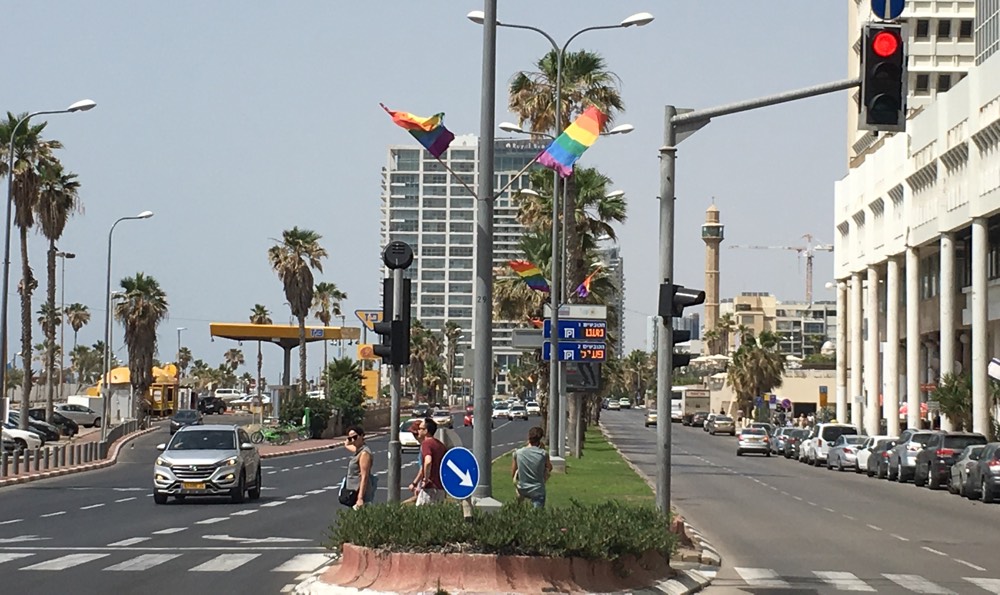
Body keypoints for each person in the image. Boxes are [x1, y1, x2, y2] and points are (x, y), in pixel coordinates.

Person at [511, 426, 552, 508]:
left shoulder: (518, 453)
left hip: (522, 487)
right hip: (538, 489)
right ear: (540, 439)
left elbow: (513, 471)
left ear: (528, 437)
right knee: (537, 515)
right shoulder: (543, 454)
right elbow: (549, 468)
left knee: (518, 512)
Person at [410, 417, 446, 505]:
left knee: (421, 515)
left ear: (426, 431)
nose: (418, 431)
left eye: (420, 428)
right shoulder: (440, 445)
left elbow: (428, 461)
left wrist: (426, 479)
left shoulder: (426, 444)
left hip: (430, 488)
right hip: (441, 487)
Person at [343, 425, 373, 509]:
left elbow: (364, 476)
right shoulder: (358, 450)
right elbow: (347, 445)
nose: (352, 440)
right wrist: (348, 441)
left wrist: (360, 498)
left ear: (362, 436)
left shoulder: (364, 453)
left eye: (355, 437)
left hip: (360, 493)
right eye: (350, 438)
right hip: (353, 492)